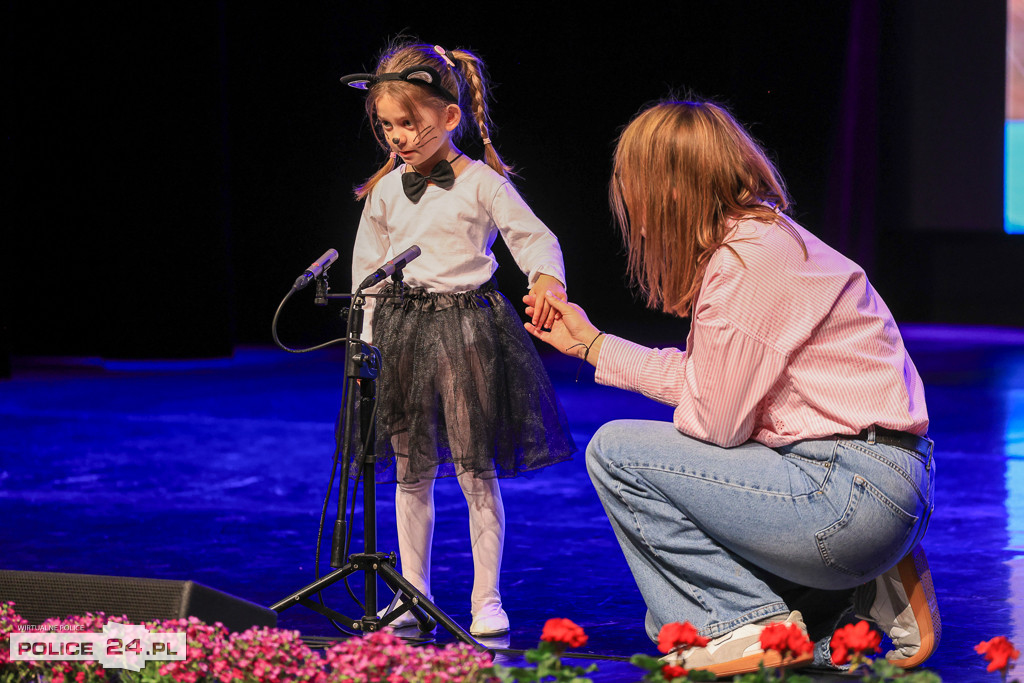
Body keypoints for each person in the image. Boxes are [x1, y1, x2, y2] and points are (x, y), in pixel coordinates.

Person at [525, 99, 938, 676]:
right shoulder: (763, 243)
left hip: (846, 493)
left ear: (667, 189)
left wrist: (703, 403)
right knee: (697, 466)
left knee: (616, 452)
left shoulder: (748, 262)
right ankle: (857, 607)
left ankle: (743, 627)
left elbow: (715, 422)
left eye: (632, 185)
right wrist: (594, 346)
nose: (628, 205)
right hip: (869, 480)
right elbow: (711, 391)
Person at [342, 41, 576, 638]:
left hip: (469, 330)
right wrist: (364, 340)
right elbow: (366, 269)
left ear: (450, 117)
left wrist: (548, 281)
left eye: (409, 123)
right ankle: (411, 592)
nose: (397, 136)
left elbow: (535, 240)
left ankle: (487, 596)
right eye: (387, 125)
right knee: (408, 469)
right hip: (403, 332)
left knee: (477, 470)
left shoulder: (483, 185)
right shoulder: (386, 192)